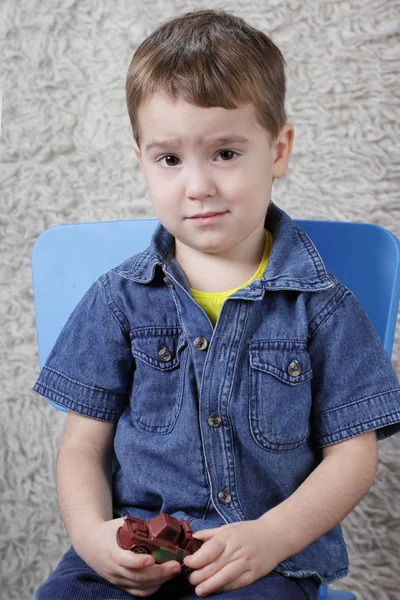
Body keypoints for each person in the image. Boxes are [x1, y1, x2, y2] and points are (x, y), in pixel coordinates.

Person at [33, 9, 400, 600]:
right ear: (141, 162)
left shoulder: (323, 308)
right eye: (170, 159)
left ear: (277, 150)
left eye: (226, 153)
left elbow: (352, 457)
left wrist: (273, 538)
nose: (197, 185)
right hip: (137, 549)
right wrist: (92, 536)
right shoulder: (118, 300)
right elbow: (83, 445)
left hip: (264, 559)